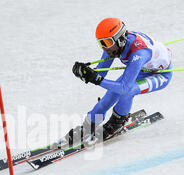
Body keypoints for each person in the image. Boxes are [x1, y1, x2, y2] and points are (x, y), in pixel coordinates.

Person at [64, 17, 173, 146]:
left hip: (159, 76)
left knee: (128, 91)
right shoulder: (114, 46)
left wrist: (96, 79)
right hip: (140, 71)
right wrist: (86, 73)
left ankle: (117, 122)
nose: (105, 48)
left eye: (107, 42)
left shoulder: (139, 53)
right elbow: (101, 73)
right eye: (101, 43)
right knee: (110, 95)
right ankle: (88, 126)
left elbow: (124, 88)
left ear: (120, 39)